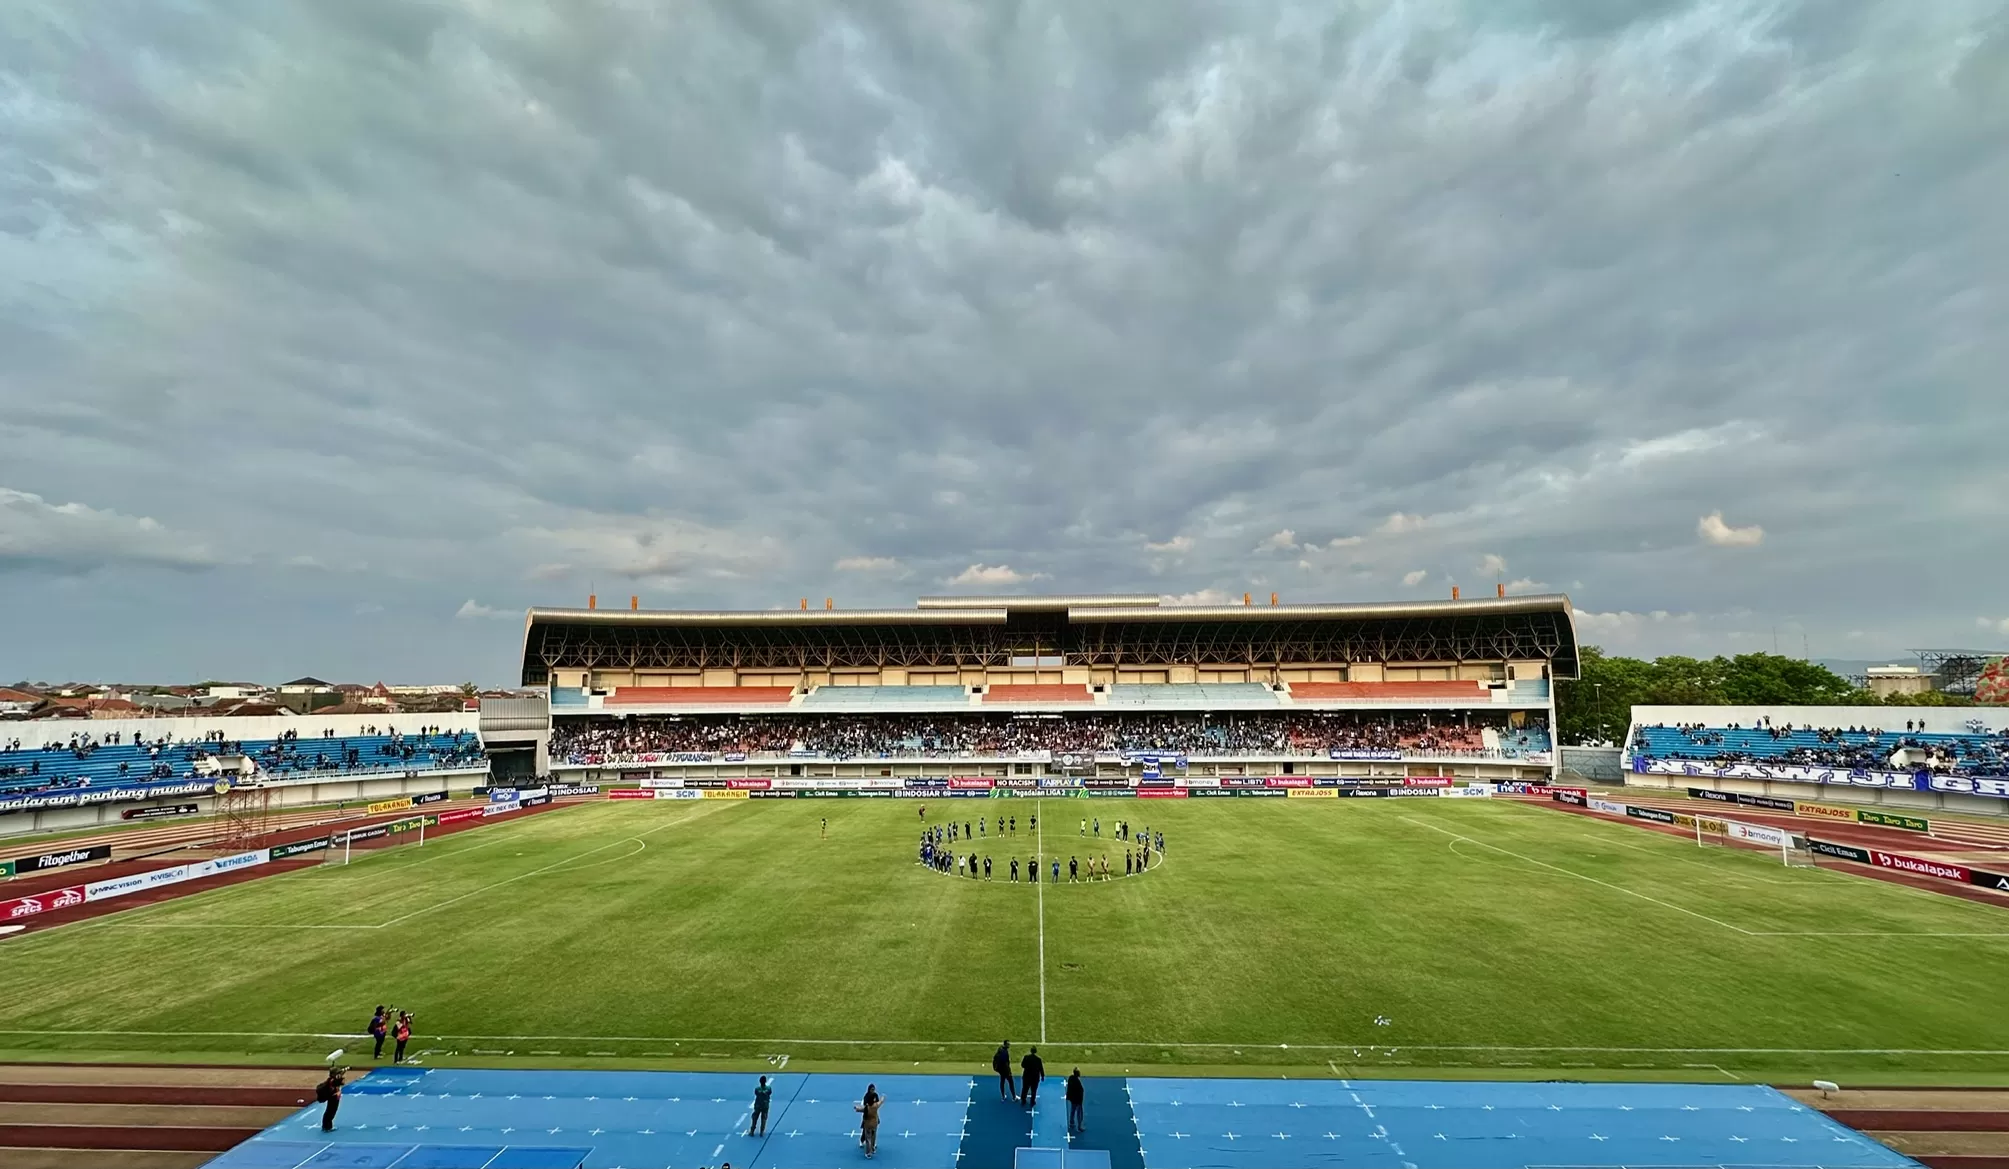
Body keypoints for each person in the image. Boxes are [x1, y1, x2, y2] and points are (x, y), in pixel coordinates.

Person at [315, 1067, 345, 1132]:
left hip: (334, 1097)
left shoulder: (334, 1079)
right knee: (330, 1111)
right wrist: (336, 1093)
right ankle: (327, 1127)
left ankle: (327, 1126)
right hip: (332, 1097)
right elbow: (334, 1087)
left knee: (332, 1111)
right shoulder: (332, 1081)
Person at [857, 1084, 882, 1158]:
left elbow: (878, 1103)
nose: (873, 1091)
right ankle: (862, 1141)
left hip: (874, 1116)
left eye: (874, 1089)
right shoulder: (866, 1096)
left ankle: (872, 1146)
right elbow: (864, 1107)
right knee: (866, 1132)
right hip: (867, 1116)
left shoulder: (875, 1095)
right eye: (872, 1089)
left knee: (873, 1134)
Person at [1065, 1068, 1085, 1134]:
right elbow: (1080, 1090)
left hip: (1072, 1098)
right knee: (1079, 1113)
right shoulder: (1077, 1081)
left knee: (1073, 1110)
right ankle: (1079, 1126)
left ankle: (1071, 1123)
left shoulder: (1071, 1078)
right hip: (1077, 1099)